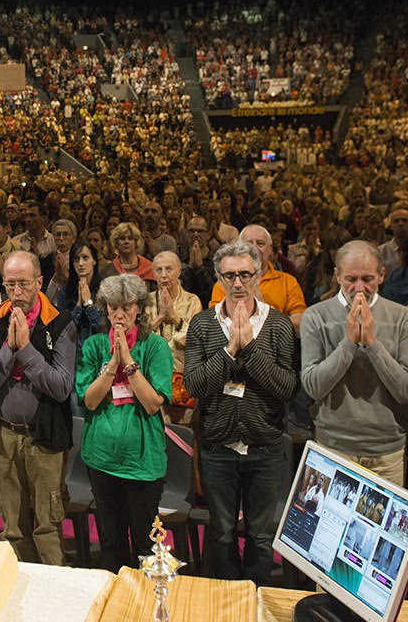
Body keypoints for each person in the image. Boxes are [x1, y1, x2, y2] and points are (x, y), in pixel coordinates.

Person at [183, 240, 297, 583]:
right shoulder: (203, 325)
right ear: (218, 277)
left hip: (265, 448)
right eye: (229, 275)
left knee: (261, 539)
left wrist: (250, 347)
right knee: (221, 534)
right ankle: (228, 603)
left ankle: (257, 600)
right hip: (219, 447)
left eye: (245, 274)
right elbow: (195, 386)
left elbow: (286, 388)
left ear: (258, 275)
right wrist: (230, 350)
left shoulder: (278, 326)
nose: (237, 283)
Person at [0, 250, 78, 565]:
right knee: (12, 529)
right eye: (10, 285)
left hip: (44, 438)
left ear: (40, 282)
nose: (16, 293)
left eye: (24, 284)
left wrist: (27, 350)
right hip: (3, 436)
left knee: (46, 526)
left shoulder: (60, 323)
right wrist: (8, 350)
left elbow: (61, 387)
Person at [299, 240, 408, 484]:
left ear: (382, 275)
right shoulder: (315, 315)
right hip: (333, 446)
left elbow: (406, 390)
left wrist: (372, 344)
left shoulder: (404, 317)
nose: (359, 288)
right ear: (336, 276)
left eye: (368, 279)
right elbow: (313, 386)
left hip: (386, 451)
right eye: (351, 279)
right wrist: (349, 342)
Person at [76, 274, 173, 573]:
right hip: (102, 460)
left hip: (143, 463)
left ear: (139, 309)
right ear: (105, 309)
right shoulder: (93, 346)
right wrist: (110, 367)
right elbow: (90, 401)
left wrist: (128, 361)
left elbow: (153, 402)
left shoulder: (155, 346)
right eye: (113, 307)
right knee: (111, 543)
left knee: (146, 545)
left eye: (127, 307)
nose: (119, 315)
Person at [209, 225, 306, 330]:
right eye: (248, 243)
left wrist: (266, 315)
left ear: (270, 250)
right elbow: (216, 323)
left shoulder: (288, 282)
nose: (254, 248)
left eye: (260, 243)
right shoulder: (223, 283)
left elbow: (300, 321)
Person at [144, 250, 202, 423]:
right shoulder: (146, 301)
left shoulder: (193, 301)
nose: (164, 275)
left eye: (169, 269)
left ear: (179, 271)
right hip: (152, 379)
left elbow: (195, 337)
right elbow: (140, 338)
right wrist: (160, 317)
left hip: (181, 379)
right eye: (158, 270)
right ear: (153, 274)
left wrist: (175, 318)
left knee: (181, 436)